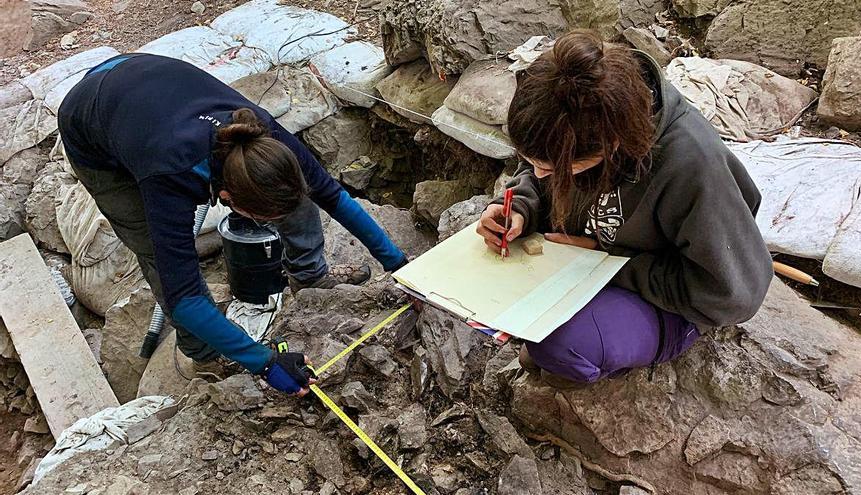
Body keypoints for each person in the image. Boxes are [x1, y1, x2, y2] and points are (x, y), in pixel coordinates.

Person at [58, 53, 408, 397]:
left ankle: (310, 277)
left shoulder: (264, 138)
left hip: (147, 77)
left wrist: (402, 267)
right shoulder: (170, 179)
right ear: (226, 198)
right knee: (155, 250)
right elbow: (185, 298)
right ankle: (205, 355)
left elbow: (332, 196)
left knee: (293, 192)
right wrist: (265, 363)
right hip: (92, 119)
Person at [477, 30, 773, 387]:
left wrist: (609, 262)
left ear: (613, 144)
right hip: (584, 260)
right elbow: (537, 171)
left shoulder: (692, 165)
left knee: (560, 346)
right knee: (513, 313)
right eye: (533, 162)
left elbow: (733, 295)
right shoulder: (572, 123)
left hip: (662, 299)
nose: (541, 175)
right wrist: (520, 204)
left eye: (555, 170)